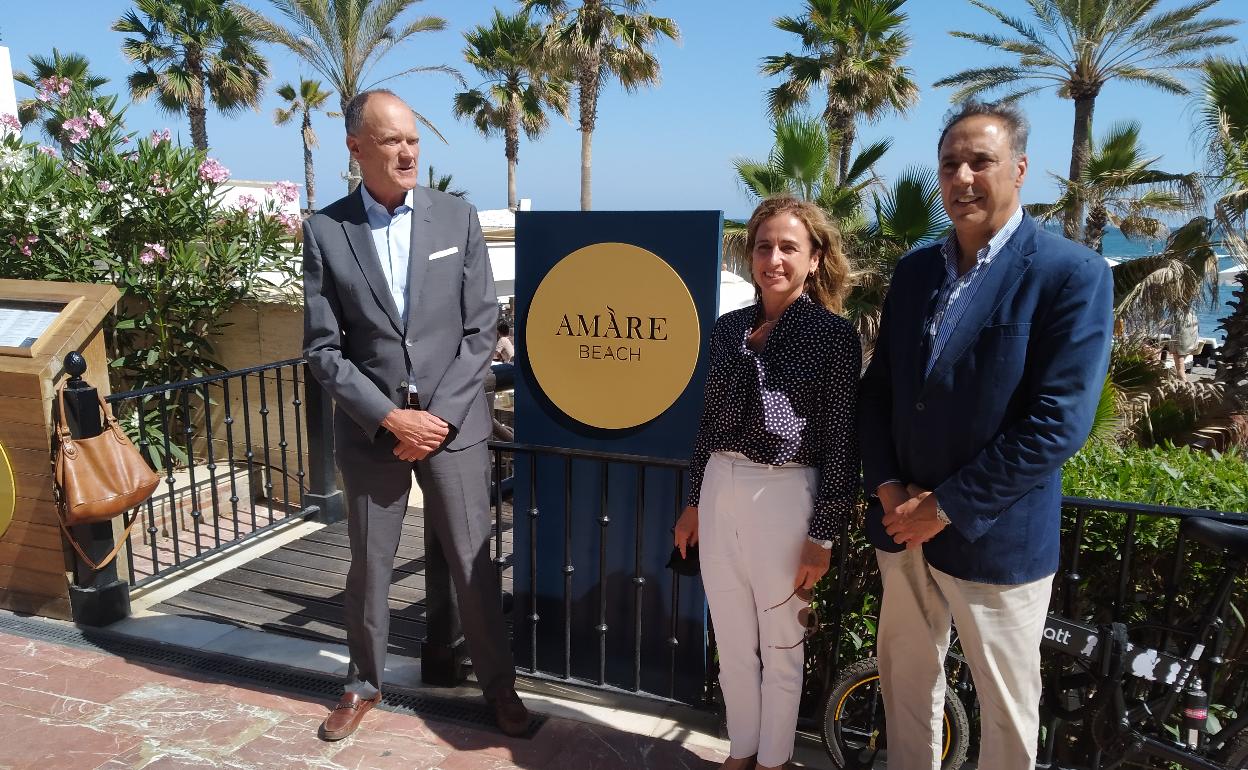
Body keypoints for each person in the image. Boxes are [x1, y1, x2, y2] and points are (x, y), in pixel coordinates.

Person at [858, 100, 1113, 770]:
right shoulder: (916, 272)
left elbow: (1059, 420)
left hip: (995, 543)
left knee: (1006, 714)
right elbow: (880, 391)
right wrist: (888, 489)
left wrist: (941, 508)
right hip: (901, 527)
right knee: (907, 688)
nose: (963, 176)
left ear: (1021, 169)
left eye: (981, 161)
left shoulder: (1069, 274)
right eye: (950, 164)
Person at [302, 89, 526, 741]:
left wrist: (437, 419)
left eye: (413, 140)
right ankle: (362, 682)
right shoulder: (326, 231)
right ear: (355, 148)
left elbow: (481, 330)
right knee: (369, 566)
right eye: (391, 140)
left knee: (472, 562)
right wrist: (390, 420)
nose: (407, 152)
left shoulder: (456, 219)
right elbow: (322, 349)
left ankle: (499, 689)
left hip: (454, 430)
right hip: (374, 437)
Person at [673, 196, 861, 770]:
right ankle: (742, 752)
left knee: (783, 645)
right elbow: (707, 424)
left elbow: (841, 443)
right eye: (763, 246)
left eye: (788, 247)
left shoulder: (833, 336)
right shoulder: (728, 330)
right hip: (721, 487)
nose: (773, 258)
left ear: (814, 259)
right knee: (731, 642)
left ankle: (774, 760)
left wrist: (822, 536)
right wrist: (693, 503)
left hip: (786, 495)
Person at [1170, 306, 1200, 381]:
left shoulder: (1179, 313)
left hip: (1180, 340)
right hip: (1190, 337)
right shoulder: (1192, 313)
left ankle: (1183, 383)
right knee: (1180, 364)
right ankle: (1180, 379)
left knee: (1180, 366)